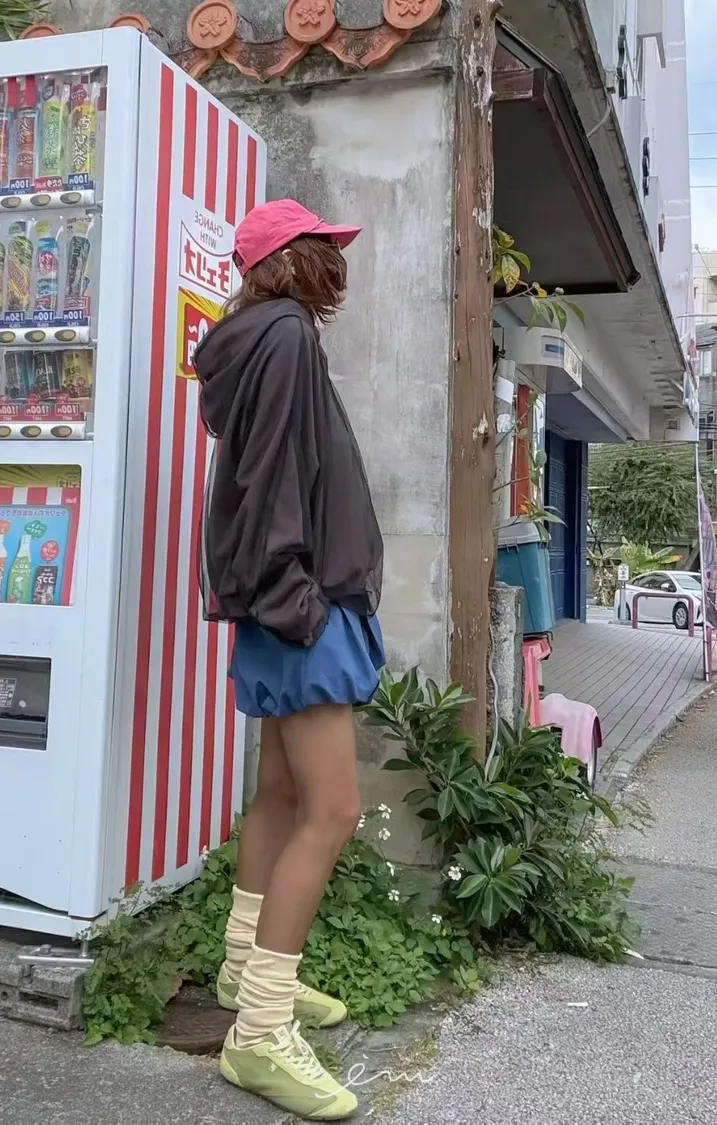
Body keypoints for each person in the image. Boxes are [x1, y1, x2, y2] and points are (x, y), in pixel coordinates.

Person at [194, 198, 385, 1121]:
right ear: (292, 258)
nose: (336, 261)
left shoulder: (260, 338)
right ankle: (261, 1033)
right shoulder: (285, 338)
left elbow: (260, 472)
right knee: (334, 809)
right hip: (301, 605)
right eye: (323, 246)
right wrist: (298, 602)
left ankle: (244, 968)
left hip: (287, 601)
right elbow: (273, 477)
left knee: (277, 793)